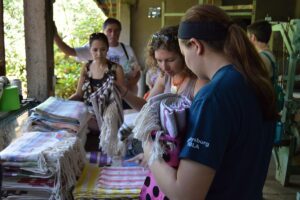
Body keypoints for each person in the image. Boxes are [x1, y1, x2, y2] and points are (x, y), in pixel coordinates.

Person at [141, 5, 278, 200]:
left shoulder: (213, 97)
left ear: (196, 46)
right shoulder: (255, 81)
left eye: (182, 53)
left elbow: (185, 194)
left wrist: (149, 148)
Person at [117, 25, 208, 111]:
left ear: (183, 55)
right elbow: (146, 107)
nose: (164, 67)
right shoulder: (165, 77)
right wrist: (123, 92)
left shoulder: (199, 83)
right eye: (159, 61)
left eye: (170, 60)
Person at [54, 18, 140, 95]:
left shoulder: (127, 49)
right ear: (104, 31)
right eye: (109, 30)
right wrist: (55, 35)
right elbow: (69, 51)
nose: (113, 34)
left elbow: (137, 70)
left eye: (116, 30)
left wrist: (131, 84)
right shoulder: (94, 47)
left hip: (129, 95)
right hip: (105, 98)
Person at [69, 32, 125, 131]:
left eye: (103, 49)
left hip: (108, 115)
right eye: (95, 50)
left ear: (107, 49)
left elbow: (120, 98)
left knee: (78, 124)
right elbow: (78, 94)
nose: (99, 54)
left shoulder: (116, 69)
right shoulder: (86, 68)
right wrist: (63, 104)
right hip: (88, 114)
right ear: (90, 50)